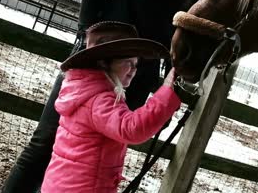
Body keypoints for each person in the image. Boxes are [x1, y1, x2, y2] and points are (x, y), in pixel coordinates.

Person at [2, 0, 235, 191]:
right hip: (95, 63)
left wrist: (166, 90)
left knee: (102, 156)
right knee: (45, 142)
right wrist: (86, 39)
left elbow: (176, 42)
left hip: (134, 78)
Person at [40, 21, 181, 192]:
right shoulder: (99, 99)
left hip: (62, 184)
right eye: (127, 62)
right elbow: (131, 128)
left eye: (136, 65)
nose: (133, 70)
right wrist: (166, 92)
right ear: (104, 63)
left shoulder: (84, 90)